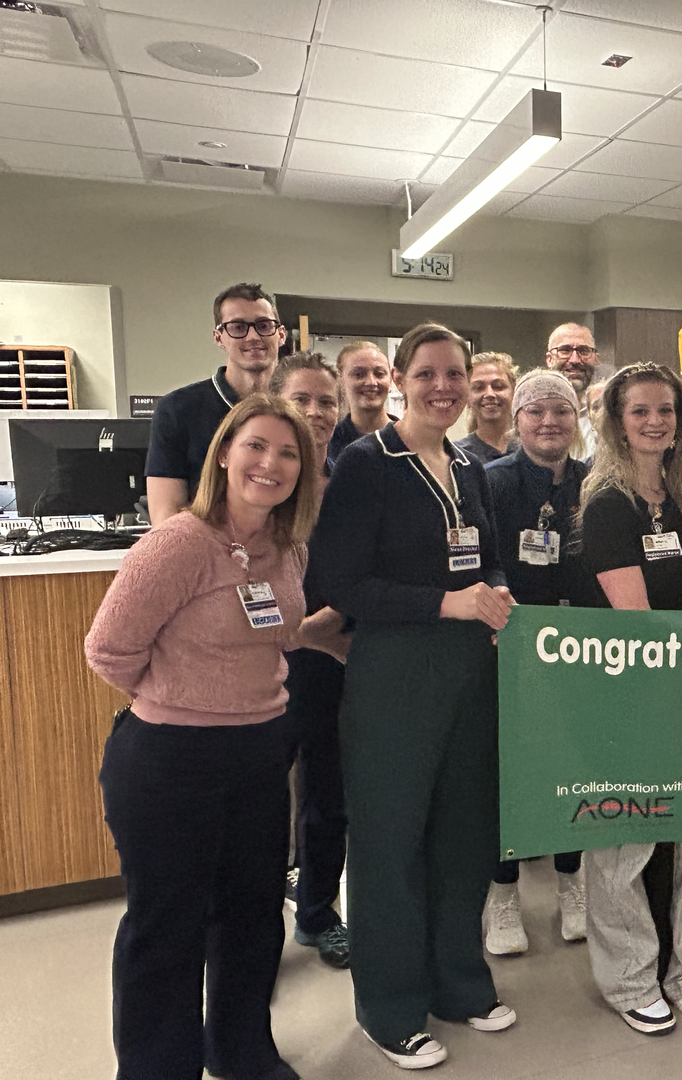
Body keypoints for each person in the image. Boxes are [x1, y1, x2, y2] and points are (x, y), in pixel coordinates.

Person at [86, 394, 324, 1080]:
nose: (270, 463)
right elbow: (107, 650)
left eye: (288, 453)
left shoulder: (287, 549)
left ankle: (242, 1051)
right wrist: (175, 695)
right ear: (224, 452)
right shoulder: (180, 542)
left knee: (252, 916)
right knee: (167, 927)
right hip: (167, 760)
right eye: (256, 445)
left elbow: (278, 637)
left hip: (257, 753)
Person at [308, 323, 516, 1069]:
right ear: (399, 378)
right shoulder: (368, 464)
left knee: (463, 834)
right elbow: (340, 582)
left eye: (454, 373)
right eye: (426, 372)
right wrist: (447, 604)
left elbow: (488, 559)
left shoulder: (470, 466)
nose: (443, 386)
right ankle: (389, 1008)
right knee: (391, 843)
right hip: (395, 673)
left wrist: (497, 597)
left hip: (469, 674)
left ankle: (459, 982)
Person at [576, 362, 682, 1037]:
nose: (655, 422)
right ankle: (630, 977)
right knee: (628, 841)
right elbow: (638, 621)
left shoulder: (680, 496)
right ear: (615, 421)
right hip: (635, 695)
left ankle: (672, 963)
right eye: (640, 412)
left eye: (666, 411)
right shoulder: (608, 505)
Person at [481, 369, 589, 955]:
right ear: (516, 420)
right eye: (536, 411)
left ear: (577, 420)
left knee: (570, 764)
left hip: (581, 650)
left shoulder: (595, 482)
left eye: (562, 411)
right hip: (512, 644)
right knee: (510, 771)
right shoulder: (491, 481)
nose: (550, 422)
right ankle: (502, 893)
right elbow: (481, 559)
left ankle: (573, 880)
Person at [270, 352, 352, 969]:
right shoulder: (263, 483)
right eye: (303, 400)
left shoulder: (351, 478)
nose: (318, 413)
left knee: (329, 797)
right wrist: (308, 636)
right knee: (264, 804)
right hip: (269, 670)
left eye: (328, 401)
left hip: (338, 668)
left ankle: (320, 913)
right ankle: (254, 924)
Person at [146, 282, 286, 523]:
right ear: (219, 337)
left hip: (279, 553)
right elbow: (165, 515)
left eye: (264, 326)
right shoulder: (177, 409)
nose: (253, 336)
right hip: (205, 553)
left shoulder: (295, 409)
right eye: (238, 327)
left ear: (281, 334)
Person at [328, 341, 396, 467]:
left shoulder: (410, 440)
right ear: (340, 381)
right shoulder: (328, 445)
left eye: (379, 374)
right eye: (359, 374)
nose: (371, 382)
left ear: (391, 380)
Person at [544, 322, 599, 455]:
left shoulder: (608, 415)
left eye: (584, 351)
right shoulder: (532, 413)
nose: (575, 360)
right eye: (565, 350)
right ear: (549, 360)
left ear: (596, 360)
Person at [455, 351, 518, 465]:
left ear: (514, 392)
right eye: (478, 387)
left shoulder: (532, 450)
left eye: (498, 386)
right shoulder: (458, 456)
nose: (489, 394)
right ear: (466, 397)